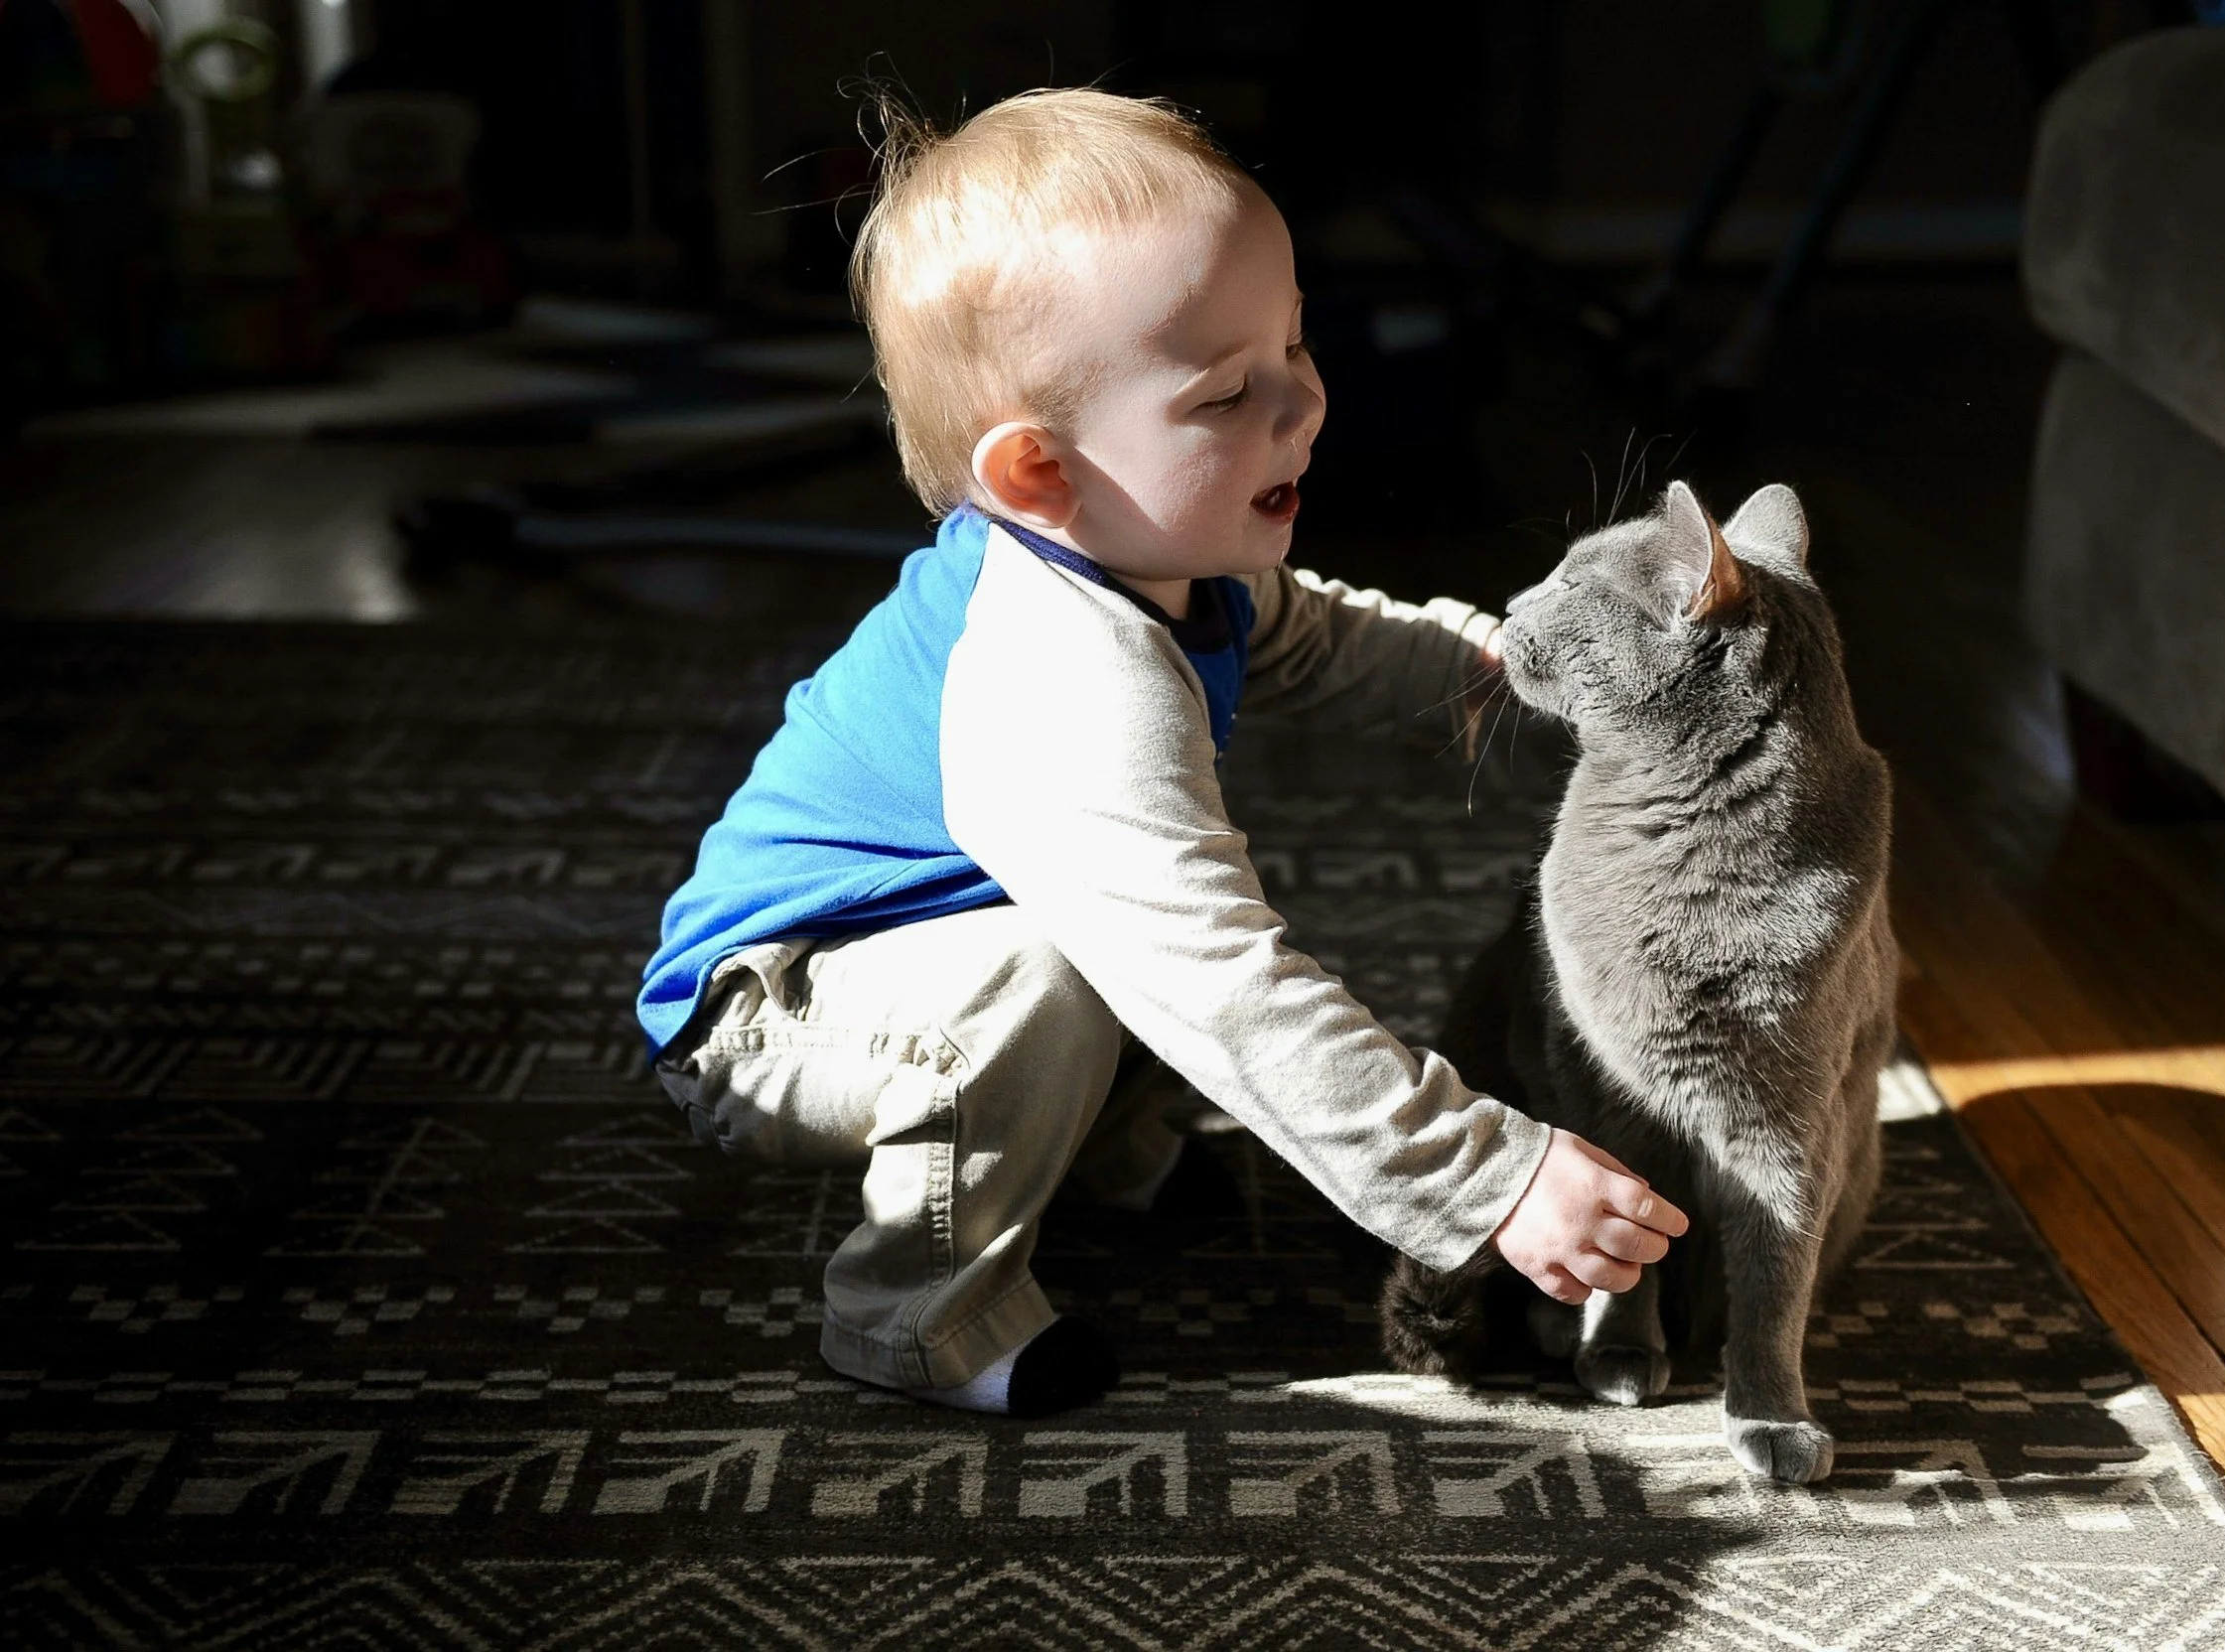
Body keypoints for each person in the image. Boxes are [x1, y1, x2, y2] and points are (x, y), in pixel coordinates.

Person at [638, 87, 1686, 1418]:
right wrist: (1484, 1176)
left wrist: (1545, 683)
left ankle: (1105, 1157)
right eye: (1226, 393)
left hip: (918, 948)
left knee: (1104, 922)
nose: (1302, 404)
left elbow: (1341, 640)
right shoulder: (1060, 672)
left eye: (1298, 346)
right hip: (771, 1012)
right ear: (1037, 478)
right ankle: (914, 1313)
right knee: (1081, 956)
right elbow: (1218, 981)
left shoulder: (1166, 564)